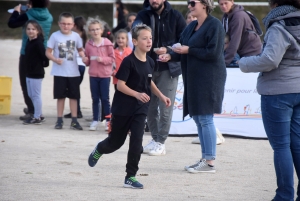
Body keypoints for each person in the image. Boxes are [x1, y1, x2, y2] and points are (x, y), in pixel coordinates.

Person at [87, 24, 171, 189]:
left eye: (150, 38)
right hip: (122, 108)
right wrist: (137, 94)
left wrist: (161, 96)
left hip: (140, 108)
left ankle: (130, 176)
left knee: (137, 142)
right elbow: (120, 86)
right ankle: (99, 149)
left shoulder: (151, 62)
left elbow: (149, 81)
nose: (149, 41)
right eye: (144, 38)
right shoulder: (128, 61)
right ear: (134, 41)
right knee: (115, 143)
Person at [238, 0, 300, 200]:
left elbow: (270, 60)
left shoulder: (279, 25)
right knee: (297, 145)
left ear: (274, 3)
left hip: (278, 91)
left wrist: (244, 62)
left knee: (281, 146)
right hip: (298, 89)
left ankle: (284, 196)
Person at [159, 0, 226, 173]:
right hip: (194, 78)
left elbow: (213, 53)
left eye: (192, 3)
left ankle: (209, 162)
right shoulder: (191, 26)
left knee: (205, 119)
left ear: (204, 4)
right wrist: (170, 55)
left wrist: (188, 50)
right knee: (198, 119)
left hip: (209, 79)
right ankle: (205, 158)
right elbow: (181, 48)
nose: (189, 6)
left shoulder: (215, 25)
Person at [133, 0, 186, 156]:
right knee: (148, 106)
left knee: (165, 107)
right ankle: (155, 140)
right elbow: (135, 33)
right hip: (147, 67)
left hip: (169, 69)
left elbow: (184, 40)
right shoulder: (143, 15)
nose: (154, 0)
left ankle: (161, 142)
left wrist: (168, 50)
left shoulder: (176, 15)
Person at [7, 0, 52, 121]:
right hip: (42, 51)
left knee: (26, 83)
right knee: (35, 85)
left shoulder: (28, 15)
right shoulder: (49, 15)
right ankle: (34, 109)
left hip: (27, 53)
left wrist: (16, 12)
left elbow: (11, 24)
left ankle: (32, 110)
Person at [46, 12, 85, 130]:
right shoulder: (55, 36)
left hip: (73, 72)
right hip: (59, 72)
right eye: (63, 23)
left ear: (73, 24)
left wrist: (84, 56)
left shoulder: (76, 36)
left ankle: (74, 120)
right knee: (60, 96)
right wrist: (54, 59)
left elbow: (80, 50)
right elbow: (48, 52)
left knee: (73, 97)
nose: (66, 26)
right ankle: (59, 120)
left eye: (68, 24)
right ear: (59, 24)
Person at [82, 17, 115, 131]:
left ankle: (108, 121)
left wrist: (103, 59)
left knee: (105, 98)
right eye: (92, 30)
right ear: (89, 31)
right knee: (95, 98)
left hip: (105, 75)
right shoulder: (88, 44)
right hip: (93, 75)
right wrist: (85, 60)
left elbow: (112, 58)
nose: (95, 31)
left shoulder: (107, 43)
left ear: (102, 30)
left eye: (97, 29)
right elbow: (88, 61)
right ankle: (95, 120)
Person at [218, 0, 261, 66]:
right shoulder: (226, 16)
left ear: (232, 1)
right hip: (240, 52)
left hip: (251, 53)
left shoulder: (238, 16)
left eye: (226, 3)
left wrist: (224, 63)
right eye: (221, 4)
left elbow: (235, 41)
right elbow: (225, 38)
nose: (224, 6)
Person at [22, 20, 48, 125]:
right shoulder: (29, 41)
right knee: (31, 94)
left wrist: (42, 65)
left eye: (33, 29)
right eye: (28, 29)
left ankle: (37, 117)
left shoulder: (38, 43)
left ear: (37, 31)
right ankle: (39, 114)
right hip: (29, 72)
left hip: (36, 73)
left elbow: (44, 57)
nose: (30, 31)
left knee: (36, 95)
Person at [64, 16, 87, 119]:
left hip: (75, 65)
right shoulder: (85, 37)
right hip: (82, 65)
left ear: (76, 26)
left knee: (73, 89)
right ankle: (76, 110)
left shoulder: (72, 37)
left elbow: (68, 54)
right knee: (75, 88)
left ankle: (76, 111)